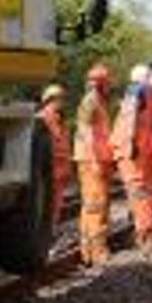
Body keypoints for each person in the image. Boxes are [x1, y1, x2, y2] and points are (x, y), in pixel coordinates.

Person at [111, 61, 152, 249]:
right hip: (131, 149)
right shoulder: (137, 90)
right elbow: (128, 116)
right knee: (140, 192)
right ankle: (146, 236)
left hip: (144, 152)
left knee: (146, 192)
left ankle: (147, 233)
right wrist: (130, 144)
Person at [73, 63, 113, 265]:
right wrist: (96, 159)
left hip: (97, 159)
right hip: (92, 160)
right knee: (96, 204)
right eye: (108, 83)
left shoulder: (99, 102)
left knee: (91, 205)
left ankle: (87, 251)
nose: (110, 87)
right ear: (102, 83)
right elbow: (86, 132)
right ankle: (98, 253)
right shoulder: (90, 102)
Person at [38, 84, 71, 224]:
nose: (62, 102)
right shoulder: (43, 118)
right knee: (47, 208)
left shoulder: (59, 119)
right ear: (51, 99)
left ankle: (50, 232)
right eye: (60, 99)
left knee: (54, 207)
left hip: (59, 172)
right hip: (51, 172)